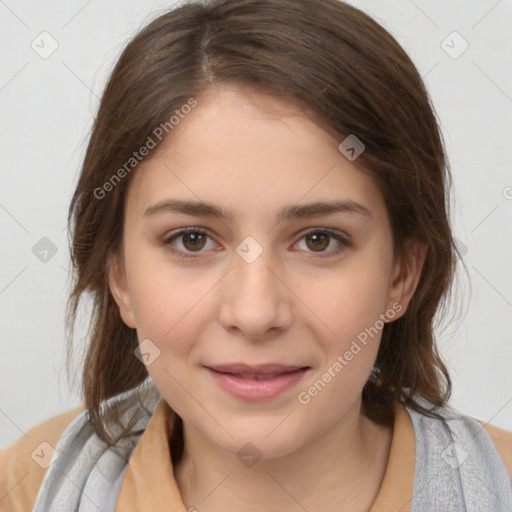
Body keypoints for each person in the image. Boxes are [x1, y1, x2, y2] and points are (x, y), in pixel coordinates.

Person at [1, 0, 511, 510]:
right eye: (192, 239)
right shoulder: (25, 490)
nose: (254, 313)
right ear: (120, 278)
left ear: (401, 276)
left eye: (319, 240)